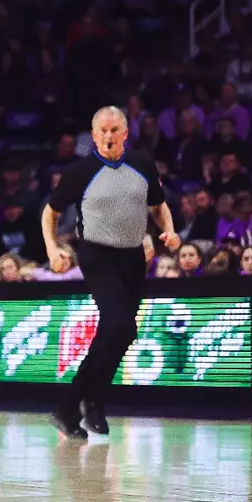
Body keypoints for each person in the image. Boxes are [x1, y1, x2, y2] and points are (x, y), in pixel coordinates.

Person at [41, 106, 179, 438]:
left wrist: (170, 230)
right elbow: (50, 213)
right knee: (118, 324)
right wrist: (52, 248)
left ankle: (81, 403)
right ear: (93, 135)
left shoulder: (142, 163)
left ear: (125, 133)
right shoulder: (80, 171)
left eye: (114, 129)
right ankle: (83, 402)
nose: (108, 135)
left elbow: (158, 206)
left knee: (122, 333)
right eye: (102, 130)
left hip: (134, 257)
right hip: (98, 255)